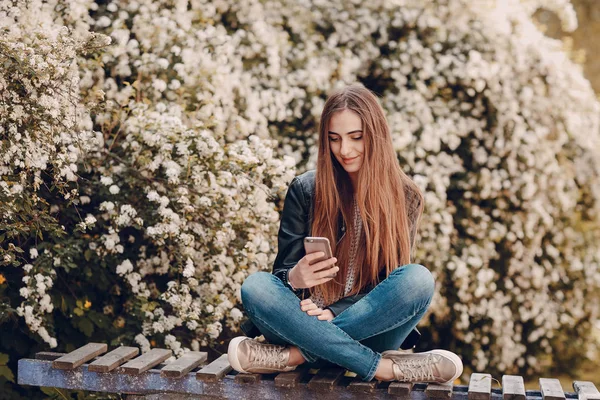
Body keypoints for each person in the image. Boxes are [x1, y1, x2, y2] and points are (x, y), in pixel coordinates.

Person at [227, 83, 463, 383]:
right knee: (256, 286)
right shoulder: (305, 190)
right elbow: (281, 278)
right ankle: (382, 368)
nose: (344, 150)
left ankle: (294, 357)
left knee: (418, 280)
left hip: (369, 330)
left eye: (356, 137)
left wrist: (336, 314)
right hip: (302, 320)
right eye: (334, 139)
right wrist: (294, 278)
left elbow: (388, 286)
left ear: (376, 136)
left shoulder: (406, 197)